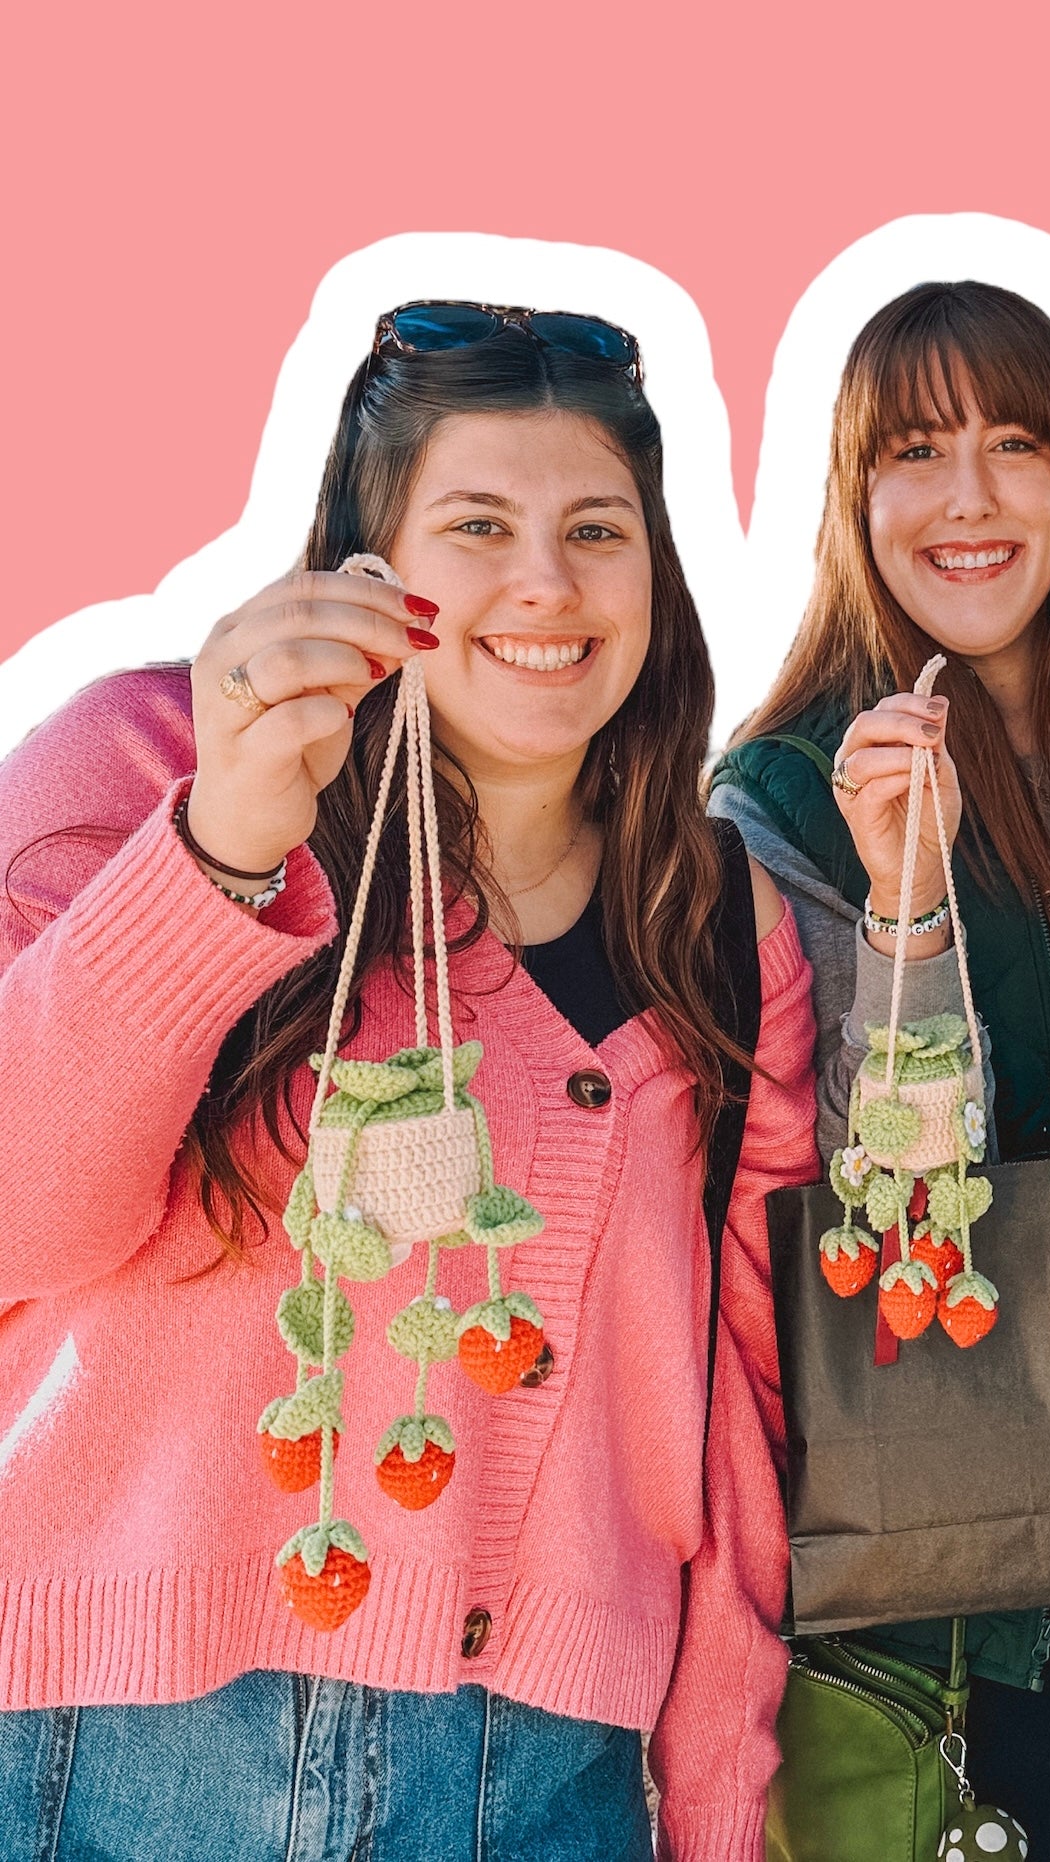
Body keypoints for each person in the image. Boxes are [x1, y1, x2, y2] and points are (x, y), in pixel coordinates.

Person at [0, 302, 818, 1861]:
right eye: (479, 524)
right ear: (365, 565)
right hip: (107, 1750)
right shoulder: (137, 759)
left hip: (534, 1772)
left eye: (598, 528)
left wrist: (716, 1789)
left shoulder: (715, 922)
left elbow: (742, 1403)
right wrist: (220, 847)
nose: (546, 584)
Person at [710, 280, 1050, 1859]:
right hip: (956, 1540)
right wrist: (904, 905)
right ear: (853, 492)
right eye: (914, 450)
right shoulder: (788, 801)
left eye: (1015, 440)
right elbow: (854, 1195)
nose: (968, 497)